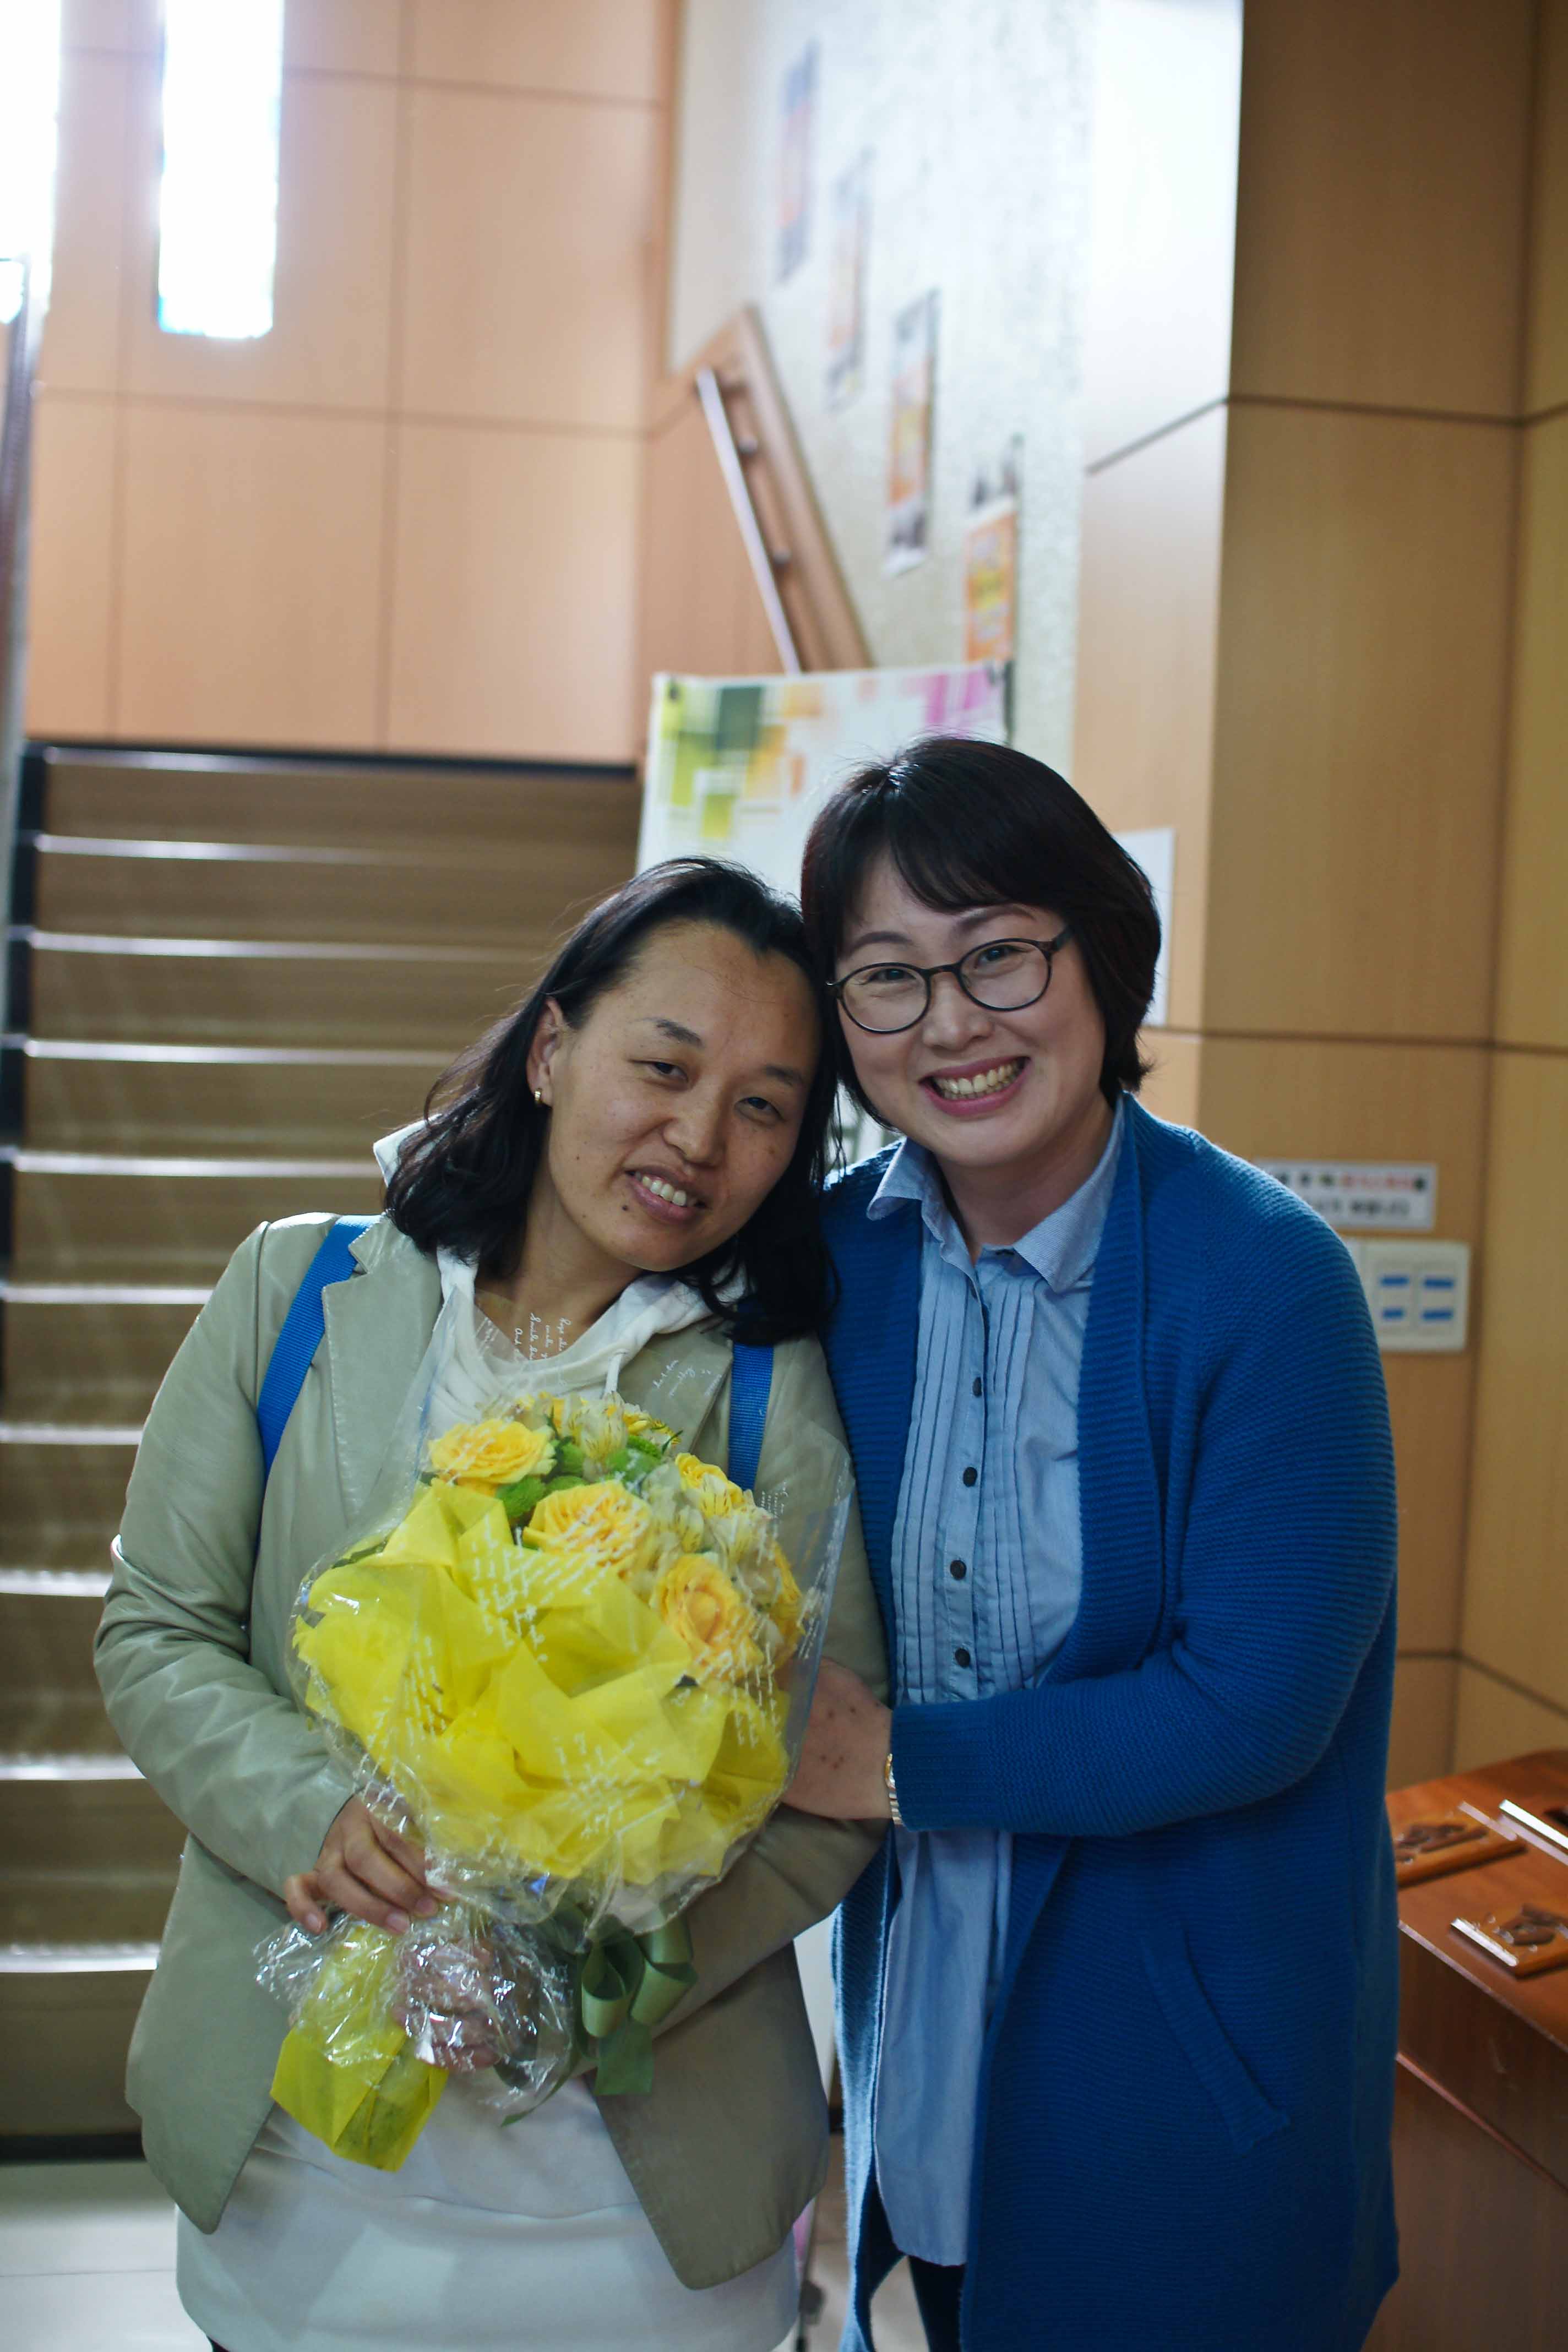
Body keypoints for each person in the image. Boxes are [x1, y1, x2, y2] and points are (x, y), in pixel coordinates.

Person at [95, 857, 887, 2352]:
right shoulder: (296, 1291)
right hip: (295, 2194)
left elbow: (827, 1787)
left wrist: (579, 1976)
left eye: (765, 1107)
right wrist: (315, 1816)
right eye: (665, 1068)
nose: (699, 1138)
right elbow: (156, 1629)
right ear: (551, 1049)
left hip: (632, 2231)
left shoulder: (776, 1390)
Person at [787, 738, 1400, 2352]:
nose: (952, 1023)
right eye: (887, 977)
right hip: (927, 2043)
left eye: (999, 952)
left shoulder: (1267, 1279)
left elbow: (1253, 1705)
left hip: (1191, 2086)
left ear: (1104, 955)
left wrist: (889, 1762)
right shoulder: (828, 1271)